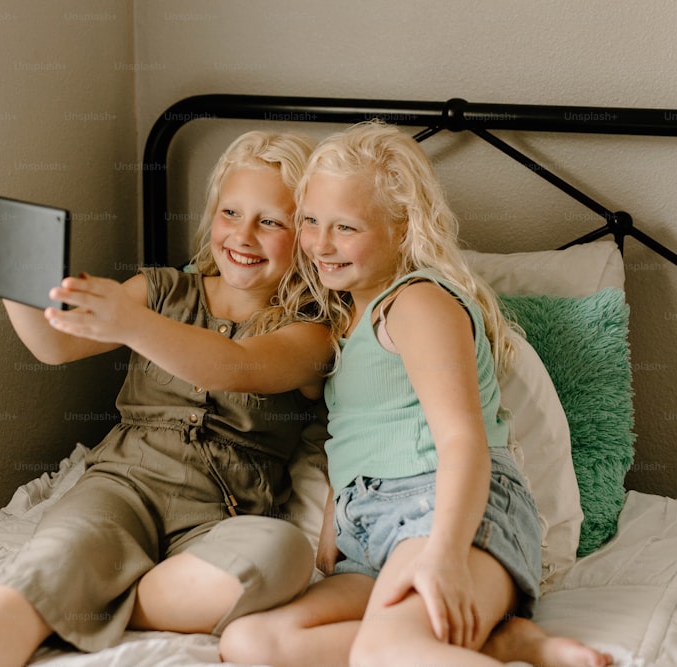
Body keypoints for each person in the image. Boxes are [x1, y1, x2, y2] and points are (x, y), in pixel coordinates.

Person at [0, 130, 333, 667]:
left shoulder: (311, 332)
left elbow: (234, 366)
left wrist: (135, 325)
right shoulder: (164, 291)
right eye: (231, 212)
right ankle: (41, 587)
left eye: (270, 221)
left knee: (284, 555)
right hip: (125, 483)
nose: (244, 235)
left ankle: (57, 595)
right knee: (69, 545)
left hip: (225, 512)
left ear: (304, 235)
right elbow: (56, 343)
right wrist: (7, 277)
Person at [219, 121, 613, 667]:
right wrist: (340, 504)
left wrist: (447, 554)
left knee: (387, 652)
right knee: (251, 644)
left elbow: (461, 439)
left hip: (448, 516)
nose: (321, 244)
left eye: (346, 228)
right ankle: (502, 642)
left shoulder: (418, 303)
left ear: (404, 229)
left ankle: (451, 637)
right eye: (310, 220)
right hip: (373, 536)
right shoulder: (346, 321)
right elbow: (370, 424)